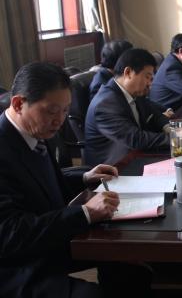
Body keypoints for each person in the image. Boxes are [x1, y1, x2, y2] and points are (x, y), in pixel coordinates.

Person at [0, 62, 124, 297]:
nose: (60, 120)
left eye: (66, 110)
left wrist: (85, 178)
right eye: (52, 111)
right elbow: (9, 233)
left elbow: (39, 184)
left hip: (44, 242)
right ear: (18, 104)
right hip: (15, 266)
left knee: (124, 256)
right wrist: (85, 212)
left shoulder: (33, 130)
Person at [85, 48, 170, 167]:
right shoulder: (105, 104)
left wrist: (170, 128)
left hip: (136, 156)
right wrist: (178, 137)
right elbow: (136, 139)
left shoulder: (134, 92)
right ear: (128, 72)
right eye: (147, 77)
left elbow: (153, 113)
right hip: (114, 168)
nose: (150, 83)